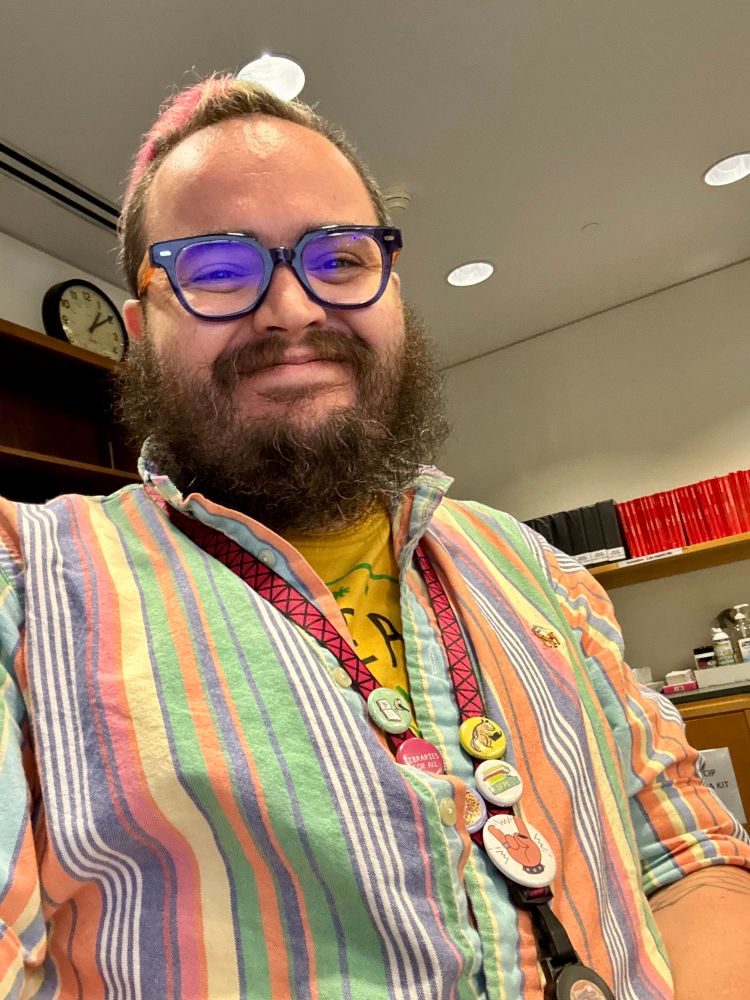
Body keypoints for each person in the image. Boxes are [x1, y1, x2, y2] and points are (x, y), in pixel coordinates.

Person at [1, 75, 749, 1000]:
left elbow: (696, 855)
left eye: (340, 258)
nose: (292, 310)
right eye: (217, 271)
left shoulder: (540, 572)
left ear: (391, 287)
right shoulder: (22, 586)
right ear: (139, 331)